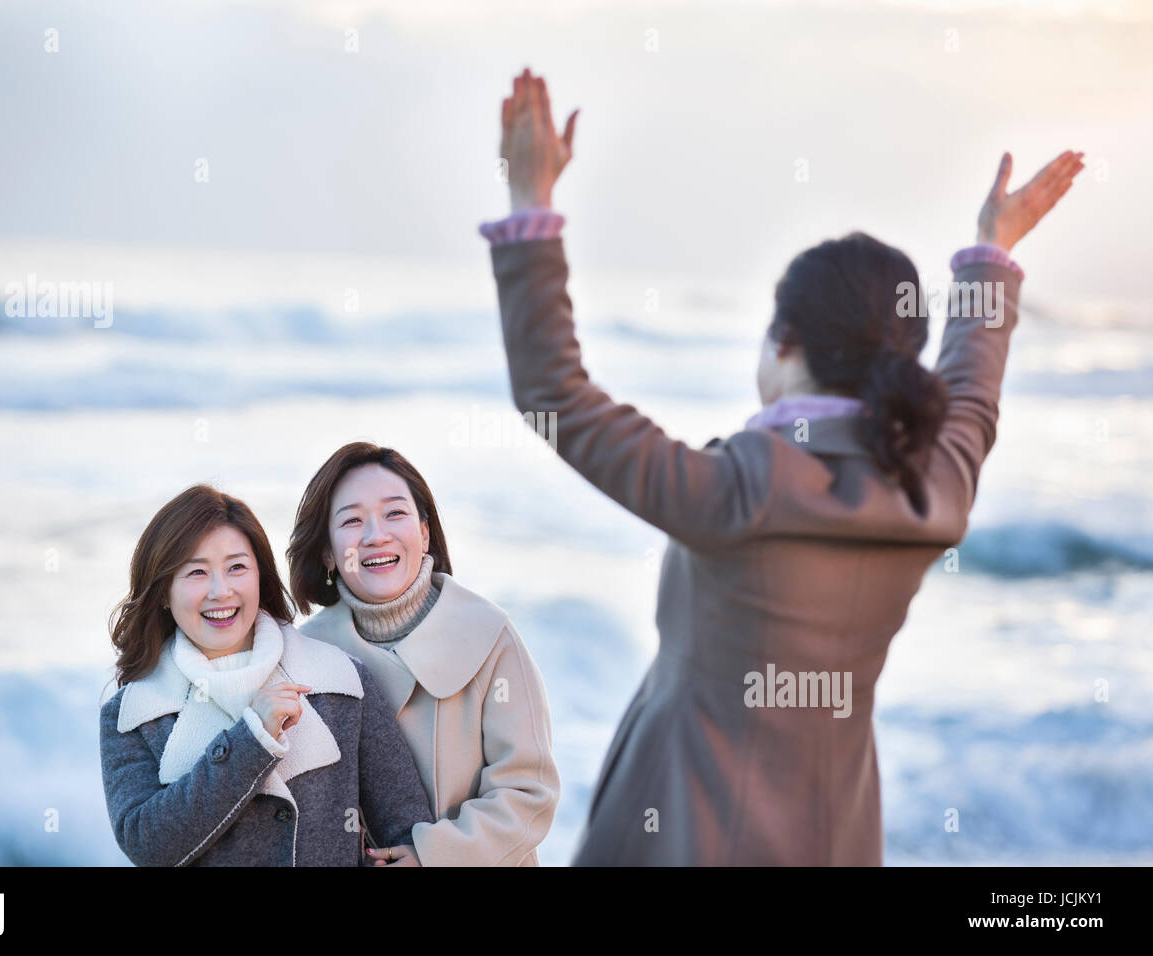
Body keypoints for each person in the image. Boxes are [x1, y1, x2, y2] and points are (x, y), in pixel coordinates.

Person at [481, 66, 1083, 864]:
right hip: (833, 838)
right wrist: (991, 255)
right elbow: (972, 385)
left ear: (786, 342)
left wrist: (533, 204)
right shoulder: (934, 484)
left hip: (686, 832)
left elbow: (553, 393)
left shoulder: (736, 491)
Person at [99, 484, 432, 866]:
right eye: (196, 572)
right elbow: (150, 848)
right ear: (162, 592)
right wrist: (251, 739)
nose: (220, 591)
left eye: (237, 567)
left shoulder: (339, 680)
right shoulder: (134, 712)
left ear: (260, 577)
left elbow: (405, 825)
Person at [289, 443, 559, 865]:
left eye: (395, 513)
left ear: (425, 531)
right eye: (353, 520)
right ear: (327, 552)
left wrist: (433, 857)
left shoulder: (489, 635)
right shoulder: (306, 658)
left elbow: (530, 793)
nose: (376, 535)